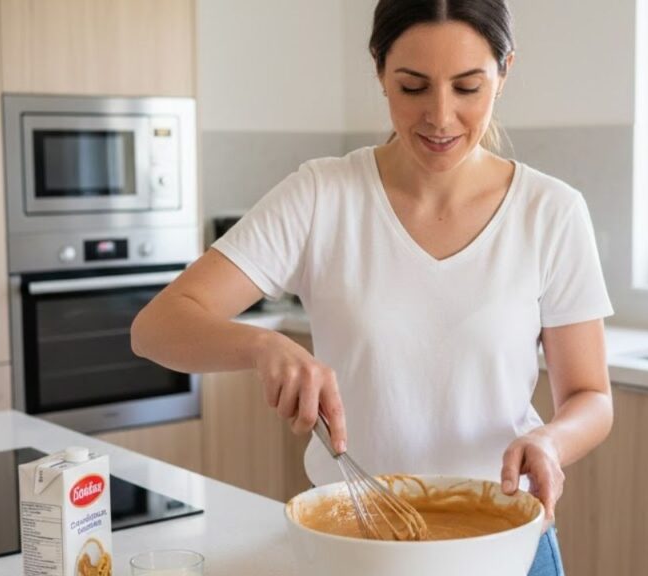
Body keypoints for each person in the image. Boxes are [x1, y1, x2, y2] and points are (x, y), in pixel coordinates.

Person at [131, 1, 614, 574]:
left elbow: (591, 396)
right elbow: (156, 327)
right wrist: (262, 346)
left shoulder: (551, 212)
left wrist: (552, 443)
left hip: (507, 544)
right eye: (413, 87)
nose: (440, 116)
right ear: (380, 71)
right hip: (354, 545)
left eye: (467, 87)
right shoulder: (322, 196)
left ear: (504, 72)